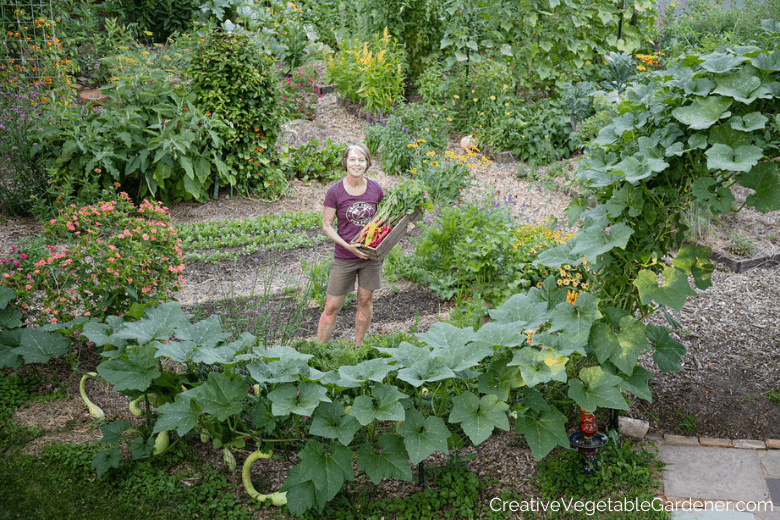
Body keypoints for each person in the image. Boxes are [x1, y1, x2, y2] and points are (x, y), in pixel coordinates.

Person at [316, 142, 383, 347]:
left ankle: (358, 347)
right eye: (352, 159)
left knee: (365, 301)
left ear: (367, 163)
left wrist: (406, 226)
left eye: (361, 160)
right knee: (332, 305)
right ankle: (318, 351)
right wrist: (347, 246)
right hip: (344, 257)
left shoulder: (376, 190)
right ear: (345, 162)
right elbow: (326, 225)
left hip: (370, 258)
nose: (357, 164)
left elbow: (386, 221)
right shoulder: (335, 192)